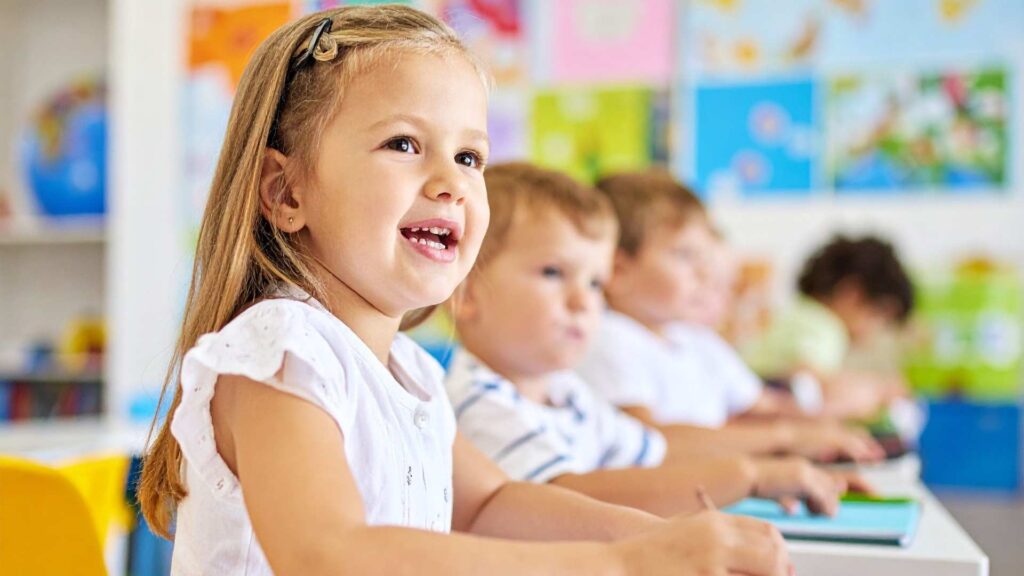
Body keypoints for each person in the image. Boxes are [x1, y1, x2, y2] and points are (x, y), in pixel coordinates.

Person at [136, 7, 791, 575]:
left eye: (470, 157)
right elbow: (326, 558)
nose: (450, 181)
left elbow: (490, 505)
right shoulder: (278, 353)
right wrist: (620, 564)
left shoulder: (412, 374)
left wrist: (662, 539)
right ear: (286, 193)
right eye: (403, 143)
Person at [449, 162, 865, 520]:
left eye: (594, 282)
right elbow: (563, 498)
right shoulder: (477, 401)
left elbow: (654, 454)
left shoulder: (565, 393)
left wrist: (779, 471)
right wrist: (748, 476)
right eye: (553, 273)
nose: (583, 301)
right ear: (467, 293)